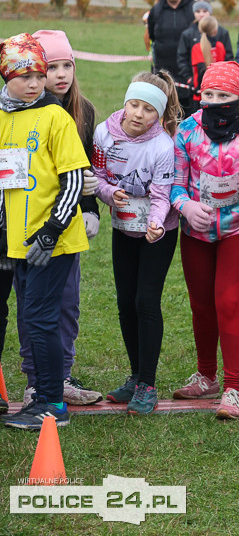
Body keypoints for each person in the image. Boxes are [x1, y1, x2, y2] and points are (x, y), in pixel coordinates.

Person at [170, 62, 239, 421]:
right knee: (201, 304)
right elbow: (177, 181)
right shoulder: (187, 130)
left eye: (223, 96)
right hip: (196, 230)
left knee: (228, 302)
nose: (214, 102)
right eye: (208, 95)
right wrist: (185, 205)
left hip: (238, 229)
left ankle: (233, 388)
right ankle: (206, 376)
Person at [0, 34, 90, 430]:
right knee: (29, 318)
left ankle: (52, 403)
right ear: (6, 77)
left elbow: (73, 179)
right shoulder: (3, 117)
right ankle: (43, 396)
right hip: (16, 242)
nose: (36, 83)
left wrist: (51, 231)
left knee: (40, 319)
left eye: (39, 74)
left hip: (51, 241)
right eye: (25, 76)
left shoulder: (55, 116)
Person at [18, 31, 102, 406]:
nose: (60, 74)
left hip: (66, 225)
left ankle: (61, 374)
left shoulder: (83, 109)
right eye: (52, 67)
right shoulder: (23, 111)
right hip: (29, 223)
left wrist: (90, 210)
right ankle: (37, 378)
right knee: (32, 306)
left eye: (67, 65)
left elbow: (83, 171)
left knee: (66, 301)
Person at [92, 71, 180, 416]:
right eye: (135, 105)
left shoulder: (162, 146)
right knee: (125, 301)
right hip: (123, 226)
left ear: (158, 114)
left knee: (146, 300)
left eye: (148, 109)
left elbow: (161, 195)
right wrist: (108, 193)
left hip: (158, 231)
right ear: (125, 103)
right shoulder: (103, 133)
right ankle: (134, 375)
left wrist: (156, 224)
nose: (139, 114)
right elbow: (97, 177)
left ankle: (148, 383)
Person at [147, 0, 196, 109]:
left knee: (188, 109)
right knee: (166, 107)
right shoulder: (156, 11)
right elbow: (152, 35)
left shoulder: (193, 8)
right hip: (164, 67)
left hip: (188, 68)